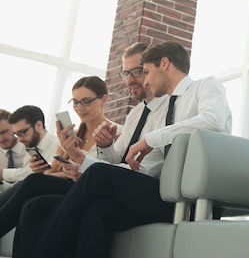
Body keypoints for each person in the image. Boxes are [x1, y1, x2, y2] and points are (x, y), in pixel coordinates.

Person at [14, 40, 233, 258]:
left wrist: (150, 139)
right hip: (157, 190)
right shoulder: (150, 114)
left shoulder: (206, 86)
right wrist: (100, 150)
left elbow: (212, 120)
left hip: (187, 199)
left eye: (145, 71)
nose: (144, 80)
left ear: (164, 63)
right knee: (96, 209)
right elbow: (141, 167)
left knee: (92, 176)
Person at [13, 42, 168, 252]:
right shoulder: (135, 115)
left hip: (143, 188)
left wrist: (81, 161)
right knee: (34, 203)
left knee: (42, 184)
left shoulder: (170, 110)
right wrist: (87, 153)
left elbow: (119, 169)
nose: (130, 79)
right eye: (126, 73)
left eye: (138, 71)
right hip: (109, 181)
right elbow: (112, 160)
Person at [0, 76, 121, 248]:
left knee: (33, 181)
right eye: (76, 102)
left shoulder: (115, 133)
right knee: (30, 195)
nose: (80, 108)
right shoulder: (71, 135)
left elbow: (110, 172)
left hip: (89, 189)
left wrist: (70, 164)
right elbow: (50, 173)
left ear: (104, 99)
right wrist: (64, 155)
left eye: (86, 101)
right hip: (68, 186)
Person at [0, 109, 27, 192]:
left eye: (3, 132)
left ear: (14, 127)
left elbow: (35, 176)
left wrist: (2, 173)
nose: (1, 139)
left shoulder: (30, 147)